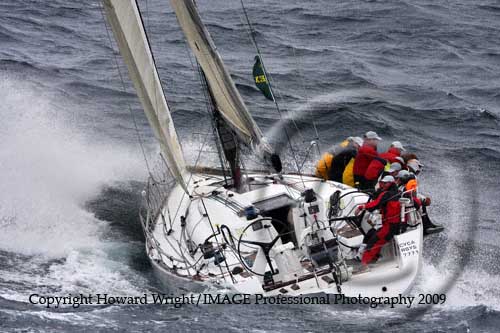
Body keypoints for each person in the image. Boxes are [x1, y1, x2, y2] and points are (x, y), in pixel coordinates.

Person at [355, 175, 403, 266]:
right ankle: (362, 256)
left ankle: (364, 264)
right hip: (388, 224)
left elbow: (375, 204)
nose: (383, 185)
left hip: (390, 226)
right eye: (382, 183)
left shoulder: (386, 194)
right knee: (370, 234)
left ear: (391, 183)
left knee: (374, 241)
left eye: (385, 183)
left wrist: (362, 207)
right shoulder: (398, 193)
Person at [402, 160, 443, 235]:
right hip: (407, 200)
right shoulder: (412, 177)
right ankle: (426, 226)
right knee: (422, 204)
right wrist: (423, 199)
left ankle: (428, 224)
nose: (420, 170)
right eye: (419, 167)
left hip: (407, 199)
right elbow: (412, 192)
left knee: (422, 203)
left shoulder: (407, 175)